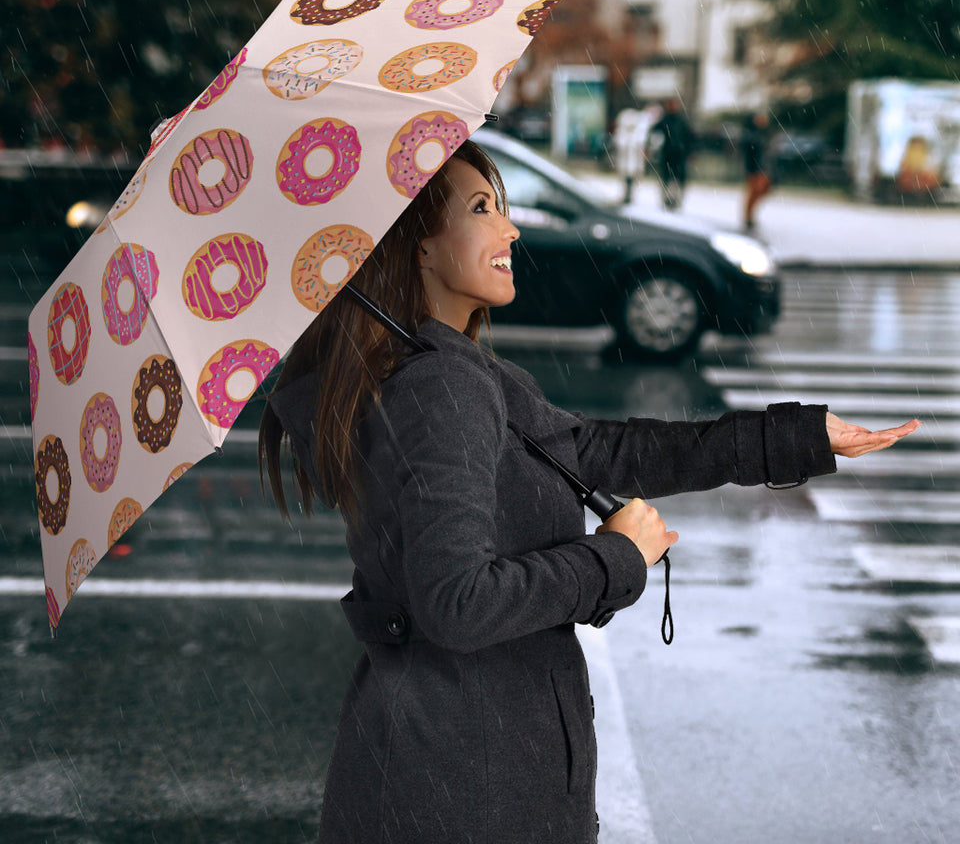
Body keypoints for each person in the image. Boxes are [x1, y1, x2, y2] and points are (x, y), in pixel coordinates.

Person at [258, 139, 919, 844]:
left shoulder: (448, 372)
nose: (510, 229)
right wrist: (614, 558)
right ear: (417, 246)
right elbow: (456, 603)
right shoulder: (440, 387)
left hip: (451, 766)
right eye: (482, 209)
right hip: (467, 786)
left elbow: (603, 451)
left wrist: (796, 438)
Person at [648, 97, 695, 210]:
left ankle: (675, 200)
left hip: (679, 155)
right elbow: (654, 133)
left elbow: (690, 137)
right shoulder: (665, 120)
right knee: (667, 178)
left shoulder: (681, 121)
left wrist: (690, 152)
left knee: (677, 179)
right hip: (668, 154)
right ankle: (667, 199)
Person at [741, 110, 773, 230]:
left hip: (763, 167)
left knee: (762, 190)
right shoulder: (751, 134)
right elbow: (750, 149)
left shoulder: (763, 133)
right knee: (754, 191)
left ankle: (750, 215)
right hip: (755, 168)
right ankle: (748, 217)